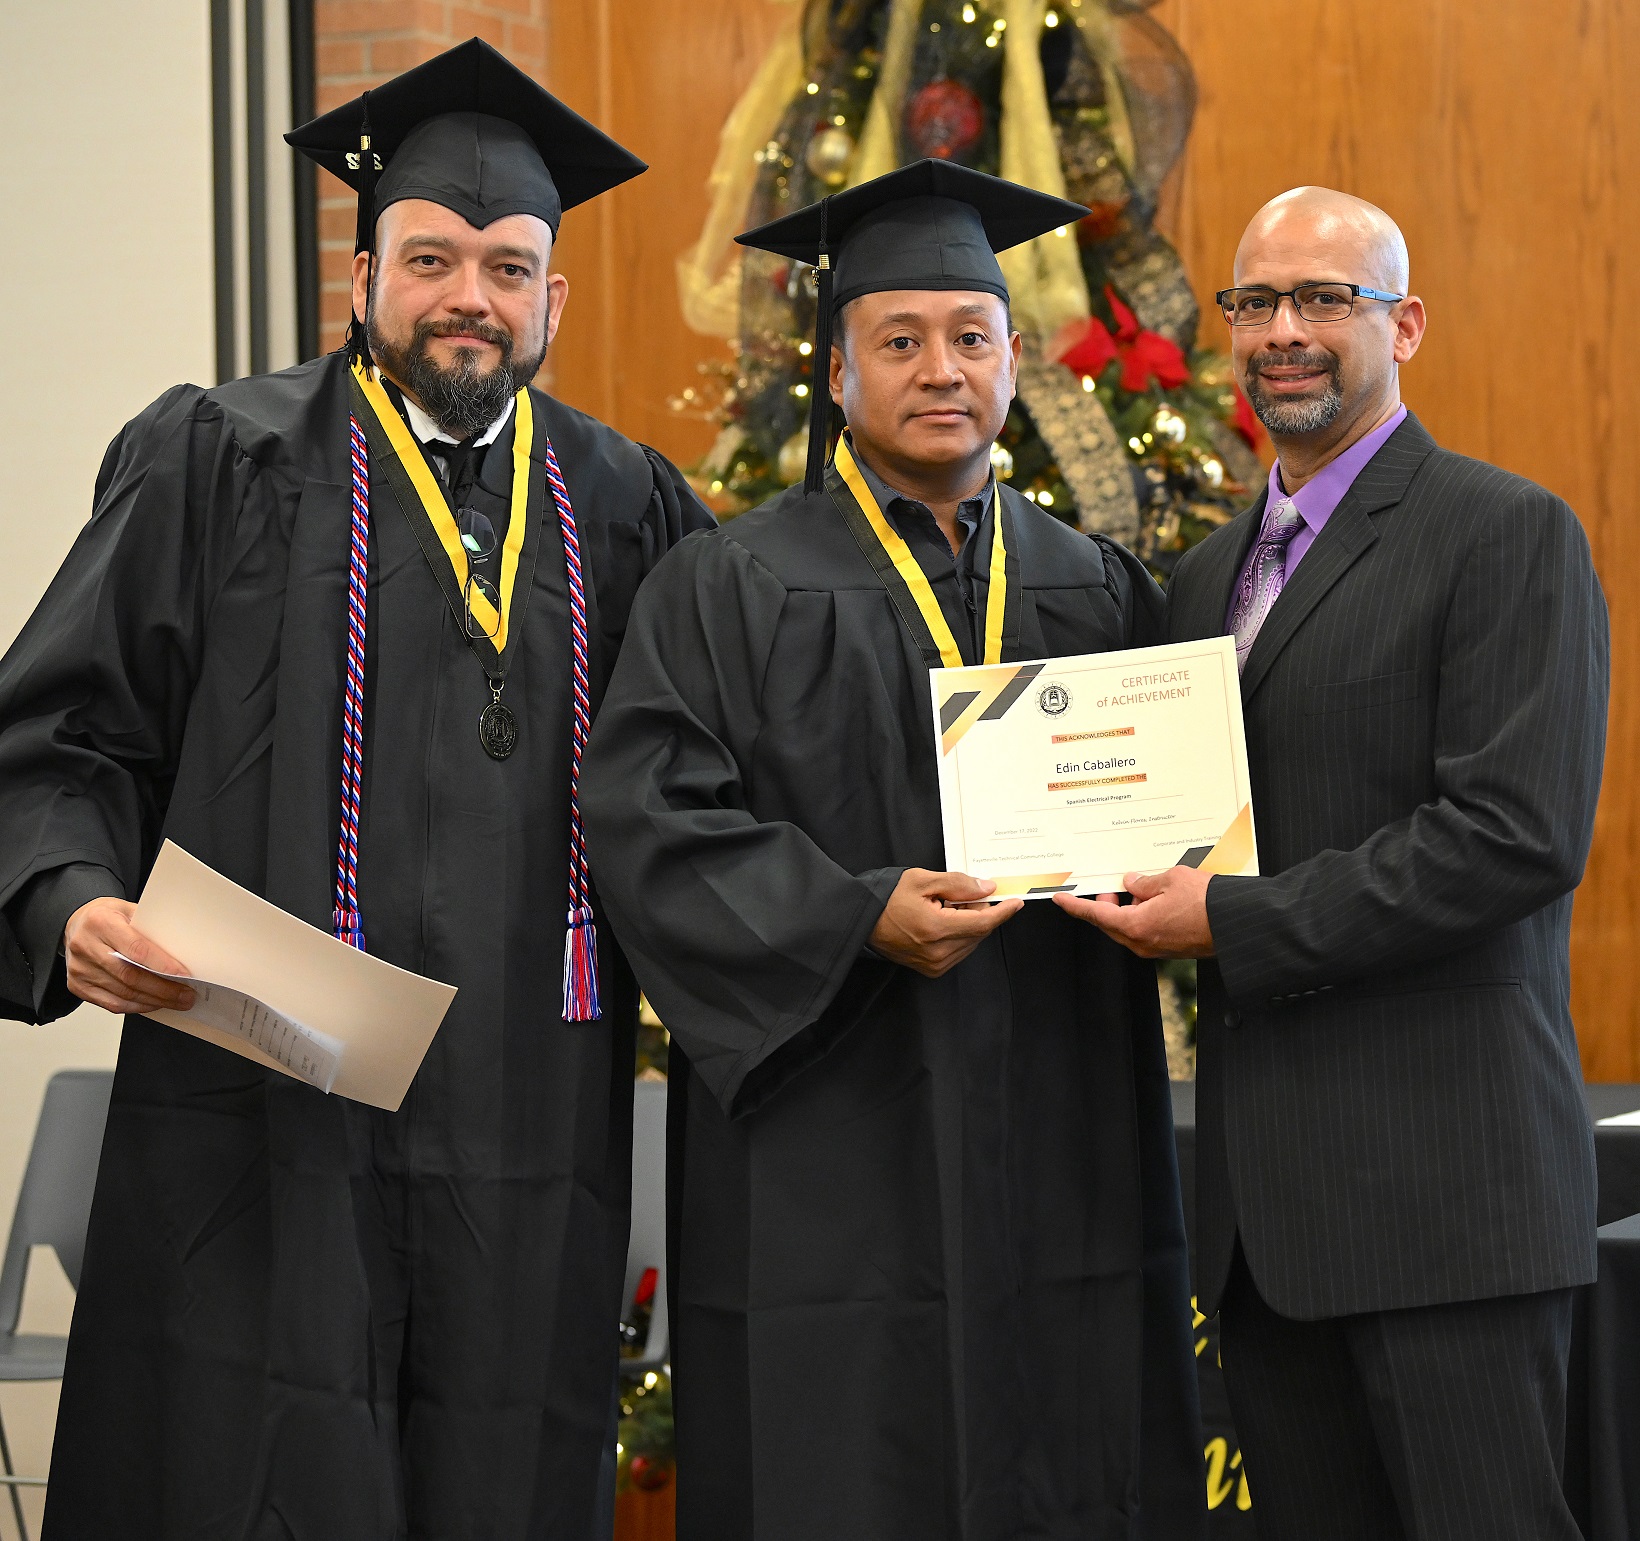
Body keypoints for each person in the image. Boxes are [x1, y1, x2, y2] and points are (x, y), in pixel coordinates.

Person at [0, 38, 712, 1540]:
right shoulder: (218, 459)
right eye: (433, 256)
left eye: (509, 266)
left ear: (553, 299)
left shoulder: (628, 502)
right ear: (367, 271)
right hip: (259, 1104)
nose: (471, 295)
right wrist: (68, 900)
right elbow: (62, 730)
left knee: (504, 1468)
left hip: (530, 1108)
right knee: (250, 1452)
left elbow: (713, 781)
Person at [582, 160, 1204, 1541]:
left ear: (1014, 358)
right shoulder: (729, 583)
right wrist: (854, 914)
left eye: (970, 338)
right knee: (848, 1461)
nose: (942, 370)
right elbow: (647, 823)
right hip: (833, 1122)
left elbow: (1180, 808)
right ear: (838, 368)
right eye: (901, 340)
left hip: (1059, 1104)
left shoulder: (1094, 582)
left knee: (1075, 1426)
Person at [1055, 186, 1609, 1541]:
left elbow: (1514, 835)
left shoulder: (1503, 533)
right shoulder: (1201, 580)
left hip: (1448, 1209)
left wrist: (1228, 921)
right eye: (1254, 303)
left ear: (1404, 324)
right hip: (1267, 1232)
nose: (1284, 331)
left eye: (1326, 300)